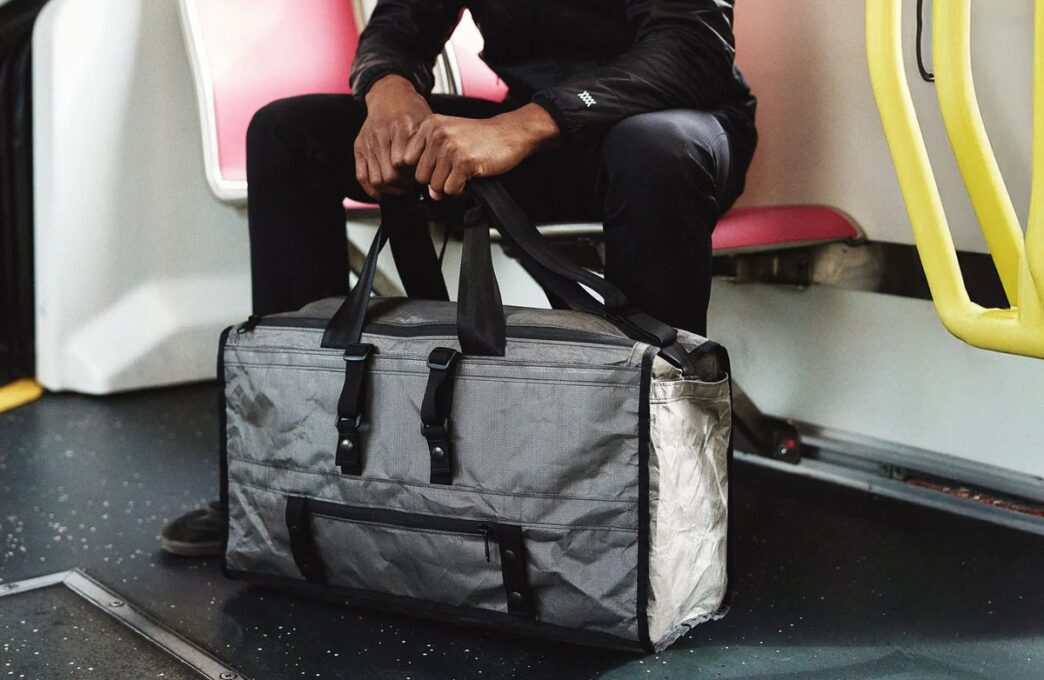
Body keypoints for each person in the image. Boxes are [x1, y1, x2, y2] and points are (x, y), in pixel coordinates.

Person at [161, 0, 756, 557]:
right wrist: (388, 90)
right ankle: (284, 479)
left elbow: (691, 47)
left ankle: (669, 505)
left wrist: (522, 126)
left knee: (653, 151)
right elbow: (400, 25)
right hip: (541, 134)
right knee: (287, 133)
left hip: (668, 124)